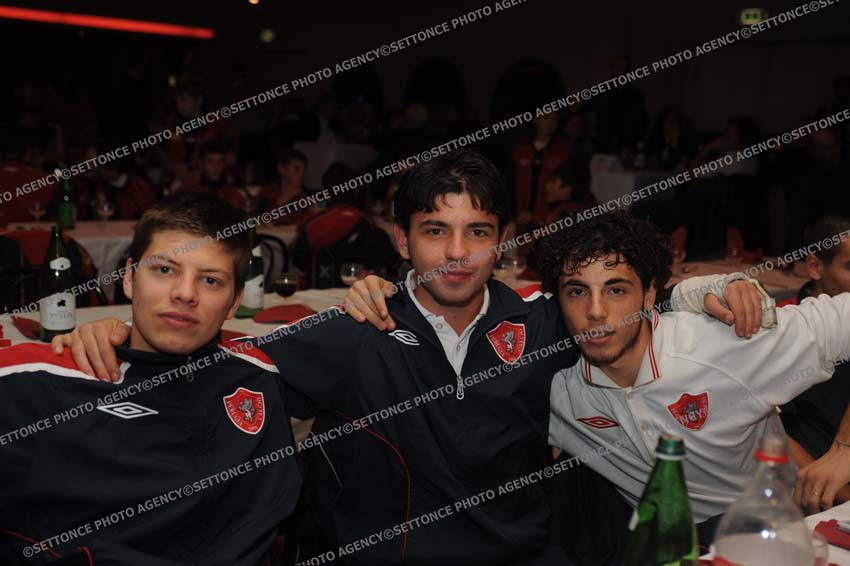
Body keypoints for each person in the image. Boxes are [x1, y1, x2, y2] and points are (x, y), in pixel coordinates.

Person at [52, 150, 763, 565]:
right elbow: (214, 356)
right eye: (434, 231)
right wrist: (117, 334)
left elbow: (638, 297)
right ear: (400, 240)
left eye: (477, 231)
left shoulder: (547, 321)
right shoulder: (354, 330)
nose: (456, 253)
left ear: (503, 240)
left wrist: (708, 288)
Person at [0, 193, 302, 563]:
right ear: (129, 278)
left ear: (235, 301)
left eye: (210, 280)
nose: (185, 293)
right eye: (164, 270)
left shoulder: (258, 374)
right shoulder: (41, 383)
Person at [534, 211, 850, 551]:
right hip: (660, 547)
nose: (596, 311)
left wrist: (845, 449)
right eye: (577, 291)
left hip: (771, 534)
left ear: (649, 295)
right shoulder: (553, 382)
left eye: (616, 290)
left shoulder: (727, 342)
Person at [779, 214, 850, 513]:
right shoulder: (782, 329)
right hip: (814, 491)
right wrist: (841, 496)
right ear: (815, 267)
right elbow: (769, 431)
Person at [511, 112, 571, 225]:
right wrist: (513, 215)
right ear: (535, 120)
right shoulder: (520, 149)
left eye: (554, 119)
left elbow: (567, 191)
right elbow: (510, 184)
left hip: (550, 220)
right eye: (546, 117)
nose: (550, 122)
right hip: (519, 217)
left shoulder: (564, 151)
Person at [257, 148, 308, 224]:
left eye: (304, 169)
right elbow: (254, 217)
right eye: (296, 168)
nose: (302, 174)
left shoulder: (304, 196)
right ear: (281, 169)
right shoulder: (268, 192)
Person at [539, 159, 596, 225]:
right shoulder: (567, 210)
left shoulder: (569, 215)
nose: (547, 186)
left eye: (554, 182)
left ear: (567, 189)